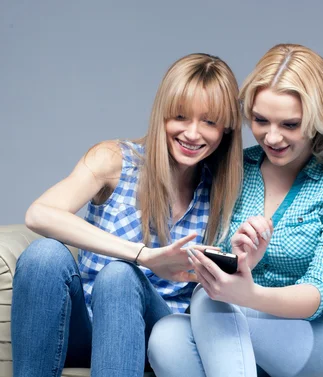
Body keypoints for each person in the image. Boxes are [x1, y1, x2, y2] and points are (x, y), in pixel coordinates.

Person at [11, 53, 243, 377]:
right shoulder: (114, 160)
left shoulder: (225, 190)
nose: (192, 133)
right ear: (162, 115)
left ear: (226, 130)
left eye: (209, 122)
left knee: (119, 277)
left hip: (156, 331)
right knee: (42, 255)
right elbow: (39, 214)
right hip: (85, 324)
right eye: (180, 116)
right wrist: (144, 256)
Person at [148, 43, 323, 377]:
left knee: (210, 302)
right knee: (166, 336)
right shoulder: (238, 167)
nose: (272, 137)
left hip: (322, 336)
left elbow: (317, 295)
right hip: (239, 329)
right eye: (260, 120)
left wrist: (248, 294)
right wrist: (241, 261)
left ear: (318, 121)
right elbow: (219, 268)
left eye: (290, 125)